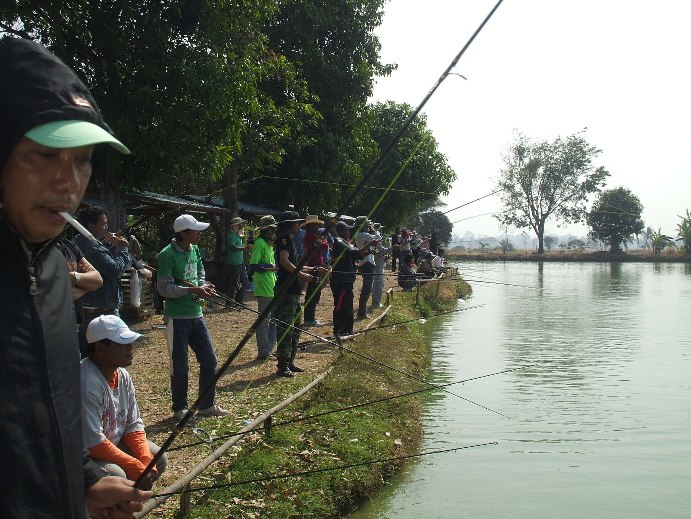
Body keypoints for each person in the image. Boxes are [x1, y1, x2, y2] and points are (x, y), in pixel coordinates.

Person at [0, 36, 150, 517]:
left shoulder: (49, 272)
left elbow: (43, 419)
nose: (69, 182)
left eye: (82, 159)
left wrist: (82, 483)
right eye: (46, 155)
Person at [82, 315, 167, 490]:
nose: (130, 347)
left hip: (112, 443)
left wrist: (144, 457)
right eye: (122, 343)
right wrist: (132, 465)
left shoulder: (122, 374)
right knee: (117, 475)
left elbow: (132, 424)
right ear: (100, 347)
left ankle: (127, 504)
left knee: (157, 457)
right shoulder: (87, 384)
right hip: (86, 456)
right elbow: (93, 443)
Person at [157, 214, 228, 420]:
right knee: (180, 365)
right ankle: (180, 408)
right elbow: (164, 288)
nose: (199, 234)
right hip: (176, 318)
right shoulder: (167, 255)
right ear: (184, 233)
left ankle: (206, 404)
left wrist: (204, 286)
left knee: (209, 360)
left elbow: (200, 274)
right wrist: (191, 291)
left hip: (196, 315)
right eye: (196, 230)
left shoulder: (195, 250)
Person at [274, 211, 314, 377]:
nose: (299, 226)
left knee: (296, 326)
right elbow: (284, 262)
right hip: (286, 290)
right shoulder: (283, 238)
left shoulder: (290, 239)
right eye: (297, 223)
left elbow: (295, 264)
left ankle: (290, 361)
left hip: (294, 291)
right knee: (285, 328)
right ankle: (282, 365)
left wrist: (312, 269)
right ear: (290, 224)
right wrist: (303, 275)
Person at [56, 235, 104, 356]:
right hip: (52, 329)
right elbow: (55, 293)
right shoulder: (41, 251)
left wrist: (72, 276)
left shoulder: (69, 246)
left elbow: (97, 280)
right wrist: (85, 284)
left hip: (73, 326)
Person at [329, 221, 369, 336]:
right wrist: (369, 244)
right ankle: (338, 331)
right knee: (340, 307)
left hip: (347, 281)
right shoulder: (339, 242)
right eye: (347, 230)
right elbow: (354, 252)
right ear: (341, 231)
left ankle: (348, 331)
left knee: (348, 307)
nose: (349, 232)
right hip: (341, 281)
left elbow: (355, 256)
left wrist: (369, 251)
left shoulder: (344, 242)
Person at [249, 215, 279, 360]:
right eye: (272, 230)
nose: (274, 233)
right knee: (264, 321)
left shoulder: (270, 245)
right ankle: (263, 351)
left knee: (274, 319)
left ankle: (269, 348)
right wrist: (270, 267)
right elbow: (253, 265)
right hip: (263, 287)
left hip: (272, 286)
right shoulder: (260, 243)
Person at [302, 214, 328, 326]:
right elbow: (325, 246)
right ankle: (309, 318)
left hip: (314, 264)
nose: (318, 226)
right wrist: (323, 239)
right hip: (315, 265)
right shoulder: (312, 236)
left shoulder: (309, 235)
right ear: (311, 225)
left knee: (314, 291)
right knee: (313, 292)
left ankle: (310, 317)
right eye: (316, 224)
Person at [353, 215, 380, 318]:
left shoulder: (360, 234)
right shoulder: (363, 234)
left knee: (367, 288)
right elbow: (377, 238)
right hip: (367, 263)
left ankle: (362, 311)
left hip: (365, 262)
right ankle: (362, 312)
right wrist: (375, 230)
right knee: (367, 289)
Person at [223, 216, 249, 309]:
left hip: (240, 262)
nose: (241, 225)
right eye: (240, 224)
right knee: (233, 283)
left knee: (244, 281)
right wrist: (244, 248)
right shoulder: (231, 235)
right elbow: (232, 247)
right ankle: (229, 303)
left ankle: (238, 301)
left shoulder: (237, 235)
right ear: (234, 226)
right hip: (234, 262)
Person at [371, 222, 390, 308]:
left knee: (380, 283)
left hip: (379, 262)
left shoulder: (375, 236)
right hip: (378, 264)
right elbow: (382, 250)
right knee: (378, 284)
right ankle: (376, 303)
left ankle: (376, 302)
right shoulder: (377, 236)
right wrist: (392, 248)